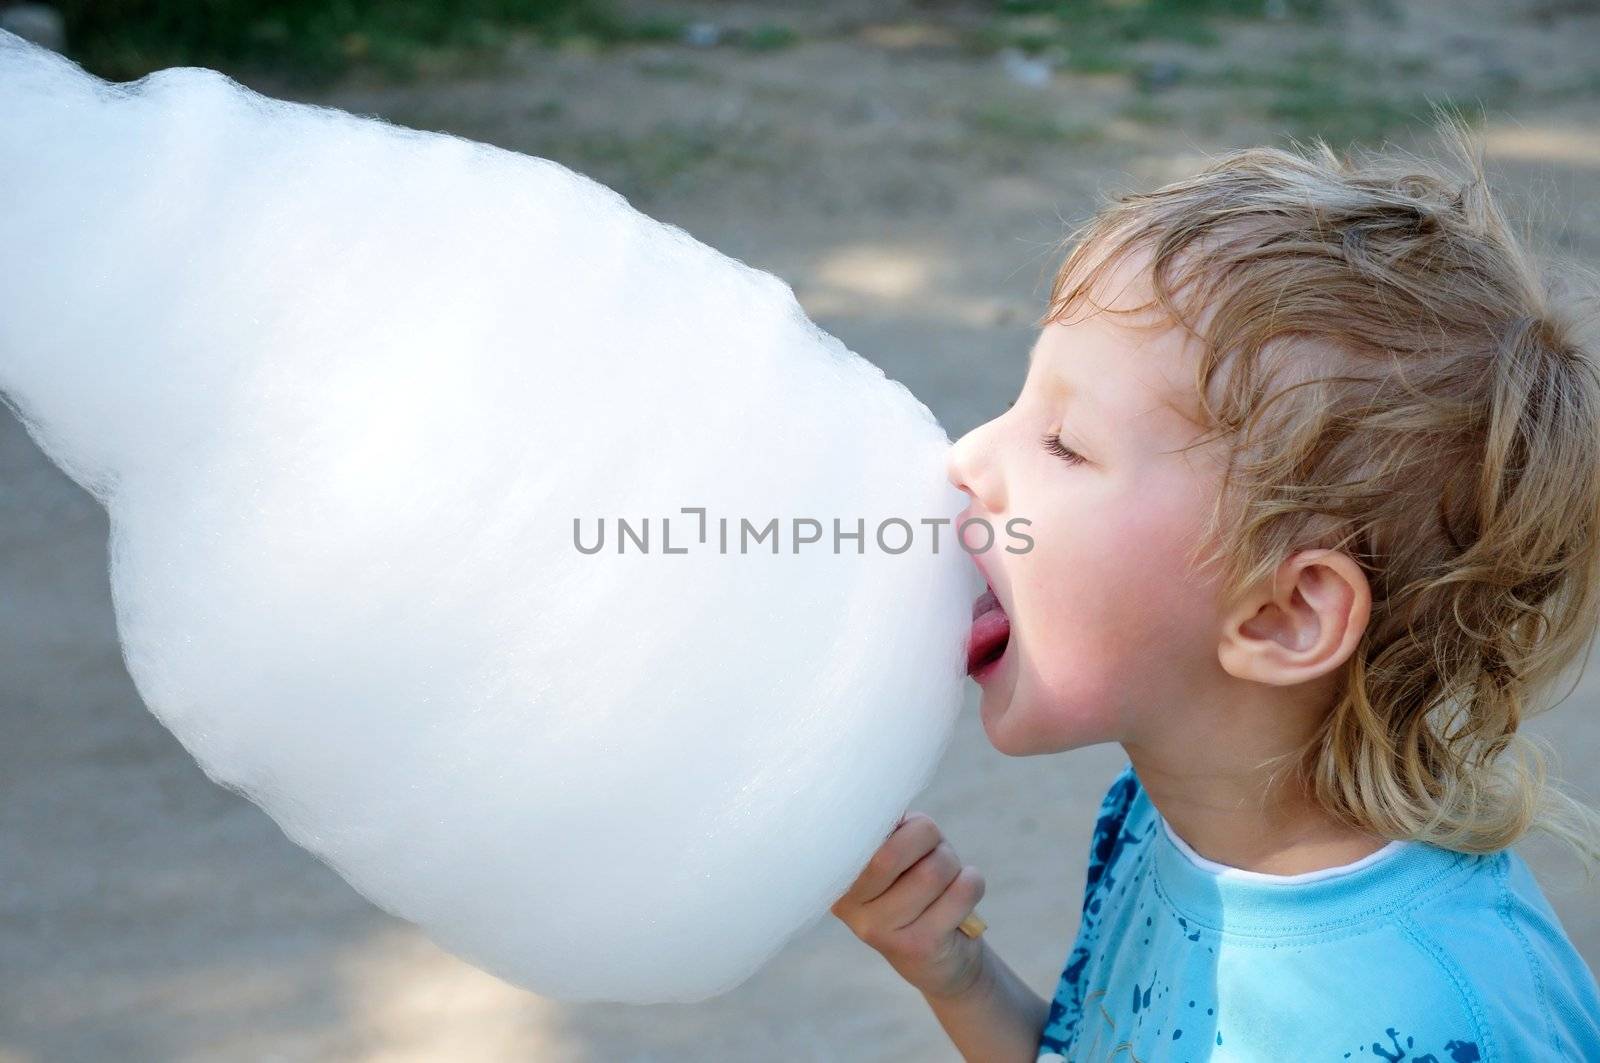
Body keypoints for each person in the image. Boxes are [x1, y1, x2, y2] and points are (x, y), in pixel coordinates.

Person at [831, 127, 1600, 1061]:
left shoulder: (1426, 1023)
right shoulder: (1163, 815)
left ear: (1284, 615)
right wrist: (954, 971)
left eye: (1066, 444)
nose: (968, 455)